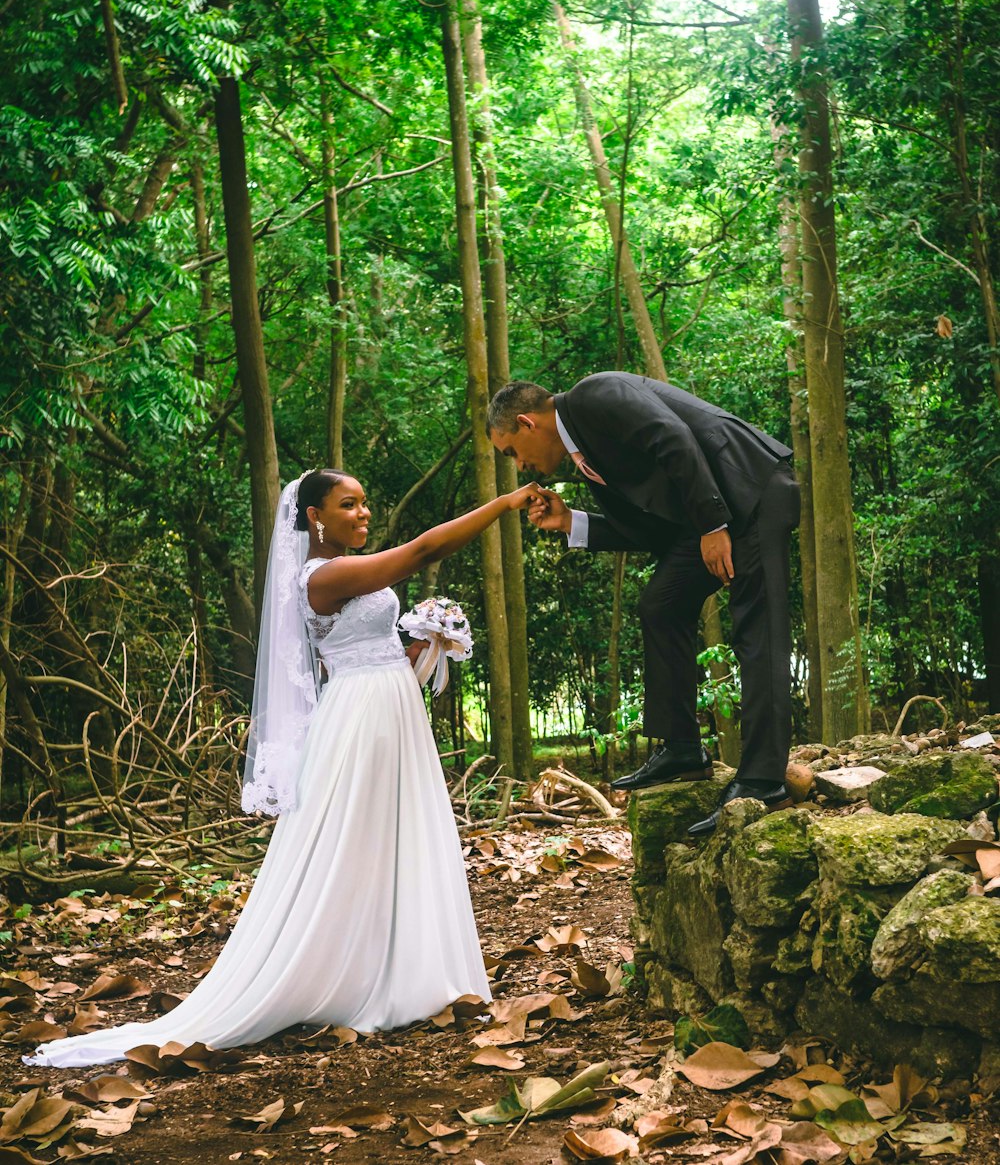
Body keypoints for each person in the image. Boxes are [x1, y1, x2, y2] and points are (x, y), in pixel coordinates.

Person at [26, 468, 539, 1068]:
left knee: (395, 838)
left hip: (389, 704)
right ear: (316, 516)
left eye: (366, 502)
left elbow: (374, 651)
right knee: (354, 841)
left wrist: (428, 642)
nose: (364, 513)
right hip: (359, 718)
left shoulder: (347, 569)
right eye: (350, 504)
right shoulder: (323, 575)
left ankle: (408, 969)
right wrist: (504, 503)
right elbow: (424, 549)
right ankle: (343, 973)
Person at [487, 373, 800, 836]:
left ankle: (762, 780)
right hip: (710, 518)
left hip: (751, 492)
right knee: (662, 604)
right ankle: (681, 750)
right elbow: (650, 530)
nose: (520, 466)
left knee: (758, 630)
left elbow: (673, 439)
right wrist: (571, 520)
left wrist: (713, 526)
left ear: (527, 423)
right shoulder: (586, 457)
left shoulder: (597, 394)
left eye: (512, 452)